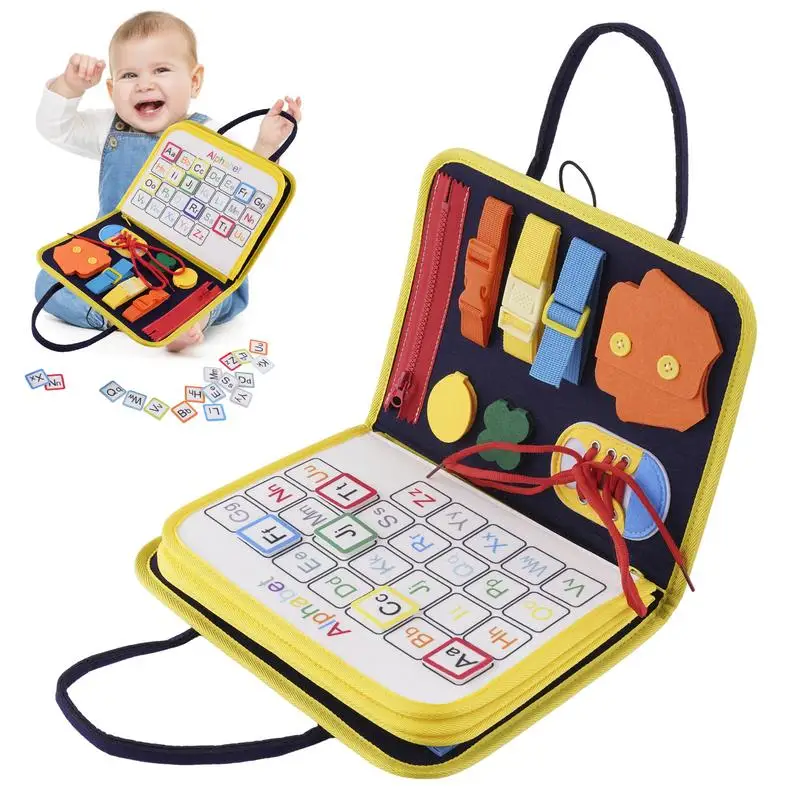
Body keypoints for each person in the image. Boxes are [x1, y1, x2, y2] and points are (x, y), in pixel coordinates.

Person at [34, 10, 301, 351]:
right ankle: (118, 315)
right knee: (47, 283)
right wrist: (70, 86)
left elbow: (247, 195)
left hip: (193, 267)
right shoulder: (107, 129)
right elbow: (54, 127)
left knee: (219, 294)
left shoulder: (211, 134)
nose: (144, 84)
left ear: (194, 81)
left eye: (161, 70)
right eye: (130, 75)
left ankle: (191, 318)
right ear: (112, 90)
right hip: (115, 255)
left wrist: (266, 146)